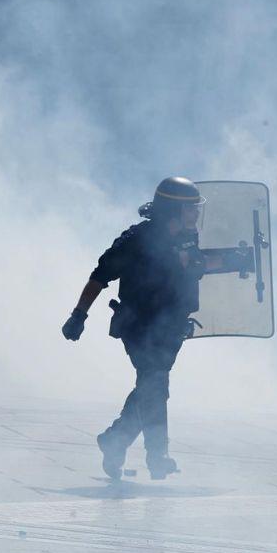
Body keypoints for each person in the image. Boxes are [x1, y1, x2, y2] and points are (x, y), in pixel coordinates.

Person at [61, 177, 208, 481]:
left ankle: (115, 440)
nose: (196, 215)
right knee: (155, 384)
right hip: (139, 326)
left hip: (170, 328)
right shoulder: (136, 241)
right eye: (190, 209)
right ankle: (157, 455)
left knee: (151, 387)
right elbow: (100, 275)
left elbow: (196, 268)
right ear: (173, 210)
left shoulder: (187, 240)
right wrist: (79, 315)